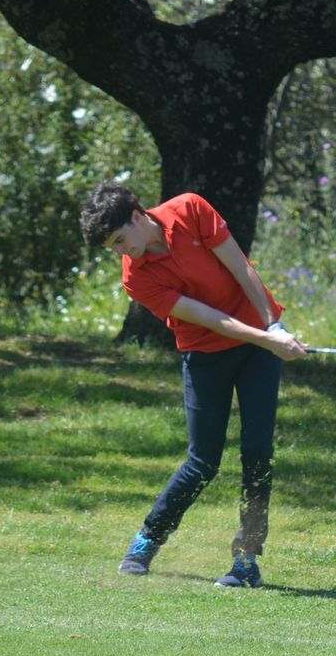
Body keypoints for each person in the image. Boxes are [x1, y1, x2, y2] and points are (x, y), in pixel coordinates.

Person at [80, 181, 308, 588]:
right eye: (112, 248)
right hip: (206, 353)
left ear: (137, 216)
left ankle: (246, 562)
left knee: (258, 452)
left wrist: (272, 325)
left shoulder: (190, 210)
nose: (120, 253)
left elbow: (242, 269)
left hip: (259, 344)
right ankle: (148, 539)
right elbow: (209, 318)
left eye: (119, 240)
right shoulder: (136, 278)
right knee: (203, 460)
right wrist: (268, 338)